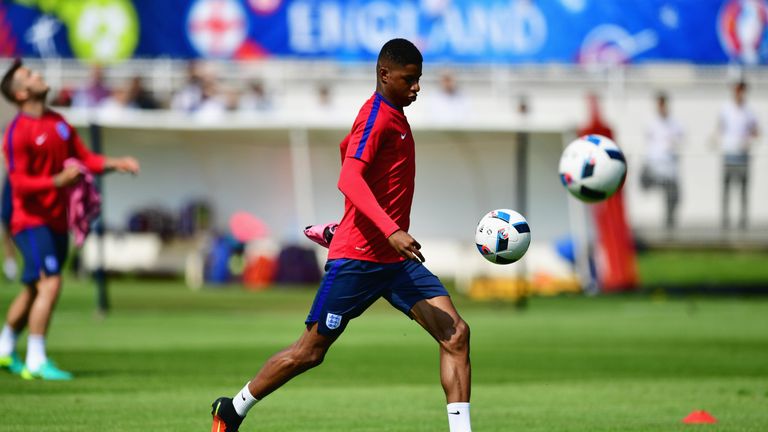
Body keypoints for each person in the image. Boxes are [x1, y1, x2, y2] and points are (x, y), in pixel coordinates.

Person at [210, 39, 473, 432]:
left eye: (419, 80)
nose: (417, 87)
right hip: (360, 259)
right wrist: (390, 230)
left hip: (395, 261)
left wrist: (357, 221)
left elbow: (346, 150)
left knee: (456, 334)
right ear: (385, 75)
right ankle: (233, 409)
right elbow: (349, 175)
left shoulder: (392, 116)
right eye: (410, 80)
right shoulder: (377, 116)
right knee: (309, 353)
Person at [0, 59, 140, 380]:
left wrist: (117, 162)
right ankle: (36, 359)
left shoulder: (58, 122)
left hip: (57, 220)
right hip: (30, 221)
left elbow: (85, 158)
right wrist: (57, 182)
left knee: (34, 288)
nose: (38, 76)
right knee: (50, 282)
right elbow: (18, 183)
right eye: (29, 75)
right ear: (21, 93)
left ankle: (5, 348)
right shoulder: (17, 132)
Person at [718, 80, 759, 230]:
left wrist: (748, 140)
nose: (739, 93)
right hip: (729, 155)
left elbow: (756, 131)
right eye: (737, 90)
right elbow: (720, 128)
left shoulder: (749, 111)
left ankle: (743, 222)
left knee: (743, 191)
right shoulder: (726, 109)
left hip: (743, 156)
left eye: (742, 90)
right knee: (727, 190)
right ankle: (725, 222)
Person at [641, 92, 684, 230]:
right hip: (655, 166)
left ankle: (669, 224)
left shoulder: (675, 123)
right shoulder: (651, 123)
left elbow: (680, 140)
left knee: (672, 197)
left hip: (669, 167)